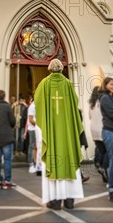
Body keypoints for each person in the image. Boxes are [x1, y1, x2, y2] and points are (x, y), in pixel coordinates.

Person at [35, 59, 83, 211]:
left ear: (49, 69)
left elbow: (38, 104)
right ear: (62, 69)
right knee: (68, 162)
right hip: (67, 133)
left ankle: (55, 201)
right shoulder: (68, 84)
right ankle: (70, 200)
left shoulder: (44, 84)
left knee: (53, 162)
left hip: (52, 132)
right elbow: (75, 105)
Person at [88, 86, 108, 183]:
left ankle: (102, 170)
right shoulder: (102, 102)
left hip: (93, 129)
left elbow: (89, 116)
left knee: (101, 150)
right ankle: (102, 167)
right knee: (107, 151)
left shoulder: (91, 103)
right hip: (101, 128)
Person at [26, 95, 37, 172]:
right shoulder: (32, 107)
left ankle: (36, 162)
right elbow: (30, 119)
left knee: (36, 146)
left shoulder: (37, 105)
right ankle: (30, 163)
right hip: (33, 129)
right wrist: (39, 125)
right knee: (32, 145)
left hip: (37, 128)